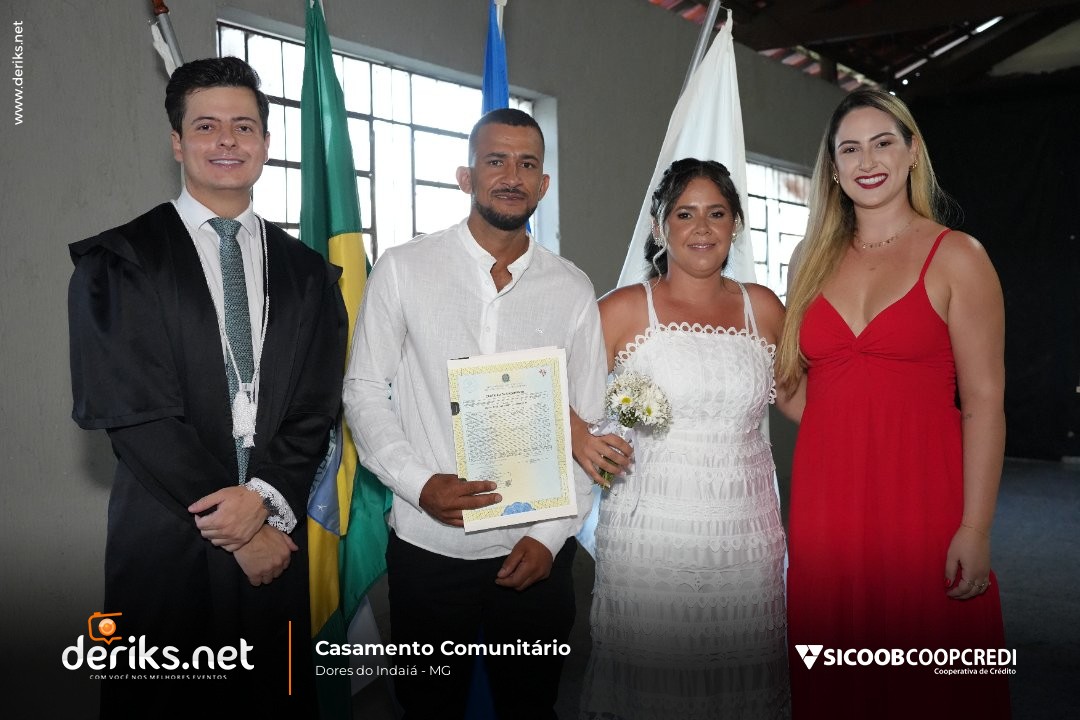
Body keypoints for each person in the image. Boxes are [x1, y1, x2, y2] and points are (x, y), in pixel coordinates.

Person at [67, 57, 346, 713]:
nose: (227, 141)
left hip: (275, 531)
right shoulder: (122, 260)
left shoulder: (307, 273)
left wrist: (264, 503)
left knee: (274, 694)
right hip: (168, 533)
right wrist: (240, 529)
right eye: (206, 126)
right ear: (177, 142)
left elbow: (314, 407)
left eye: (244, 127)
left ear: (265, 144)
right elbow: (134, 412)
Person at [342, 107, 607, 719]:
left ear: (544, 184)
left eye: (527, 164)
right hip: (429, 547)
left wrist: (549, 538)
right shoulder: (404, 268)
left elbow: (591, 425)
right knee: (428, 708)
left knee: (530, 709)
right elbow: (363, 390)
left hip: (536, 553)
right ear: (466, 176)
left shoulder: (571, 289)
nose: (512, 176)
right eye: (495, 161)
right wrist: (419, 484)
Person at [778, 88, 1009, 717]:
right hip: (827, 508)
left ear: (912, 153)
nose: (868, 161)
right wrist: (850, 429)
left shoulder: (958, 255)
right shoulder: (807, 260)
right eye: (850, 149)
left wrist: (976, 527)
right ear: (833, 168)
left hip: (923, 502)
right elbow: (793, 388)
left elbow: (985, 402)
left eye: (883, 143)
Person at [576, 158, 795, 719]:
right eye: (685, 214)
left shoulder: (763, 308)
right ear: (659, 227)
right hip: (653, 536)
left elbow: (802, 401)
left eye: (716, 214)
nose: (702, 228)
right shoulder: (623, 309)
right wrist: (582, 438)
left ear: (735, 225)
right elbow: (553, 393)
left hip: (746, 535)